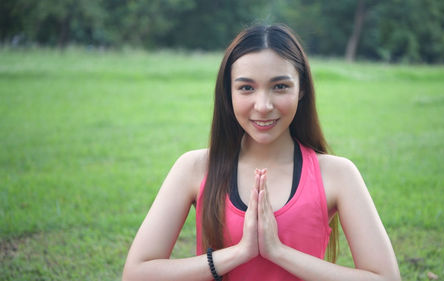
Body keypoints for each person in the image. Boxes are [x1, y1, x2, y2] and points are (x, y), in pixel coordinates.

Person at [122, 24, 401, 281]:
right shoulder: (195, 167)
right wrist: (238, 253)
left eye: (280, 86)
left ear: (301, 89)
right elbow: (136, 273)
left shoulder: (338, 174)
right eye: (246, 88)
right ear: (228, 94)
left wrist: (278, 252)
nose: (263, 105)